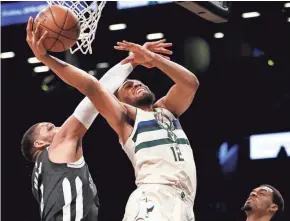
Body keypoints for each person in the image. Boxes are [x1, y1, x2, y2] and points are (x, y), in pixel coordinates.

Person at [26, 16, 199, 221]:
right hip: (153, 199)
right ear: (119, 101)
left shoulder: (168, 110)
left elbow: (191, 84)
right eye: (128, 86)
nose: (136, 85)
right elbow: (92, 87)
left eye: (138, 83)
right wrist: (46, 59)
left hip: (185, 203)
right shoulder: (126, 118)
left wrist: (154, 60)